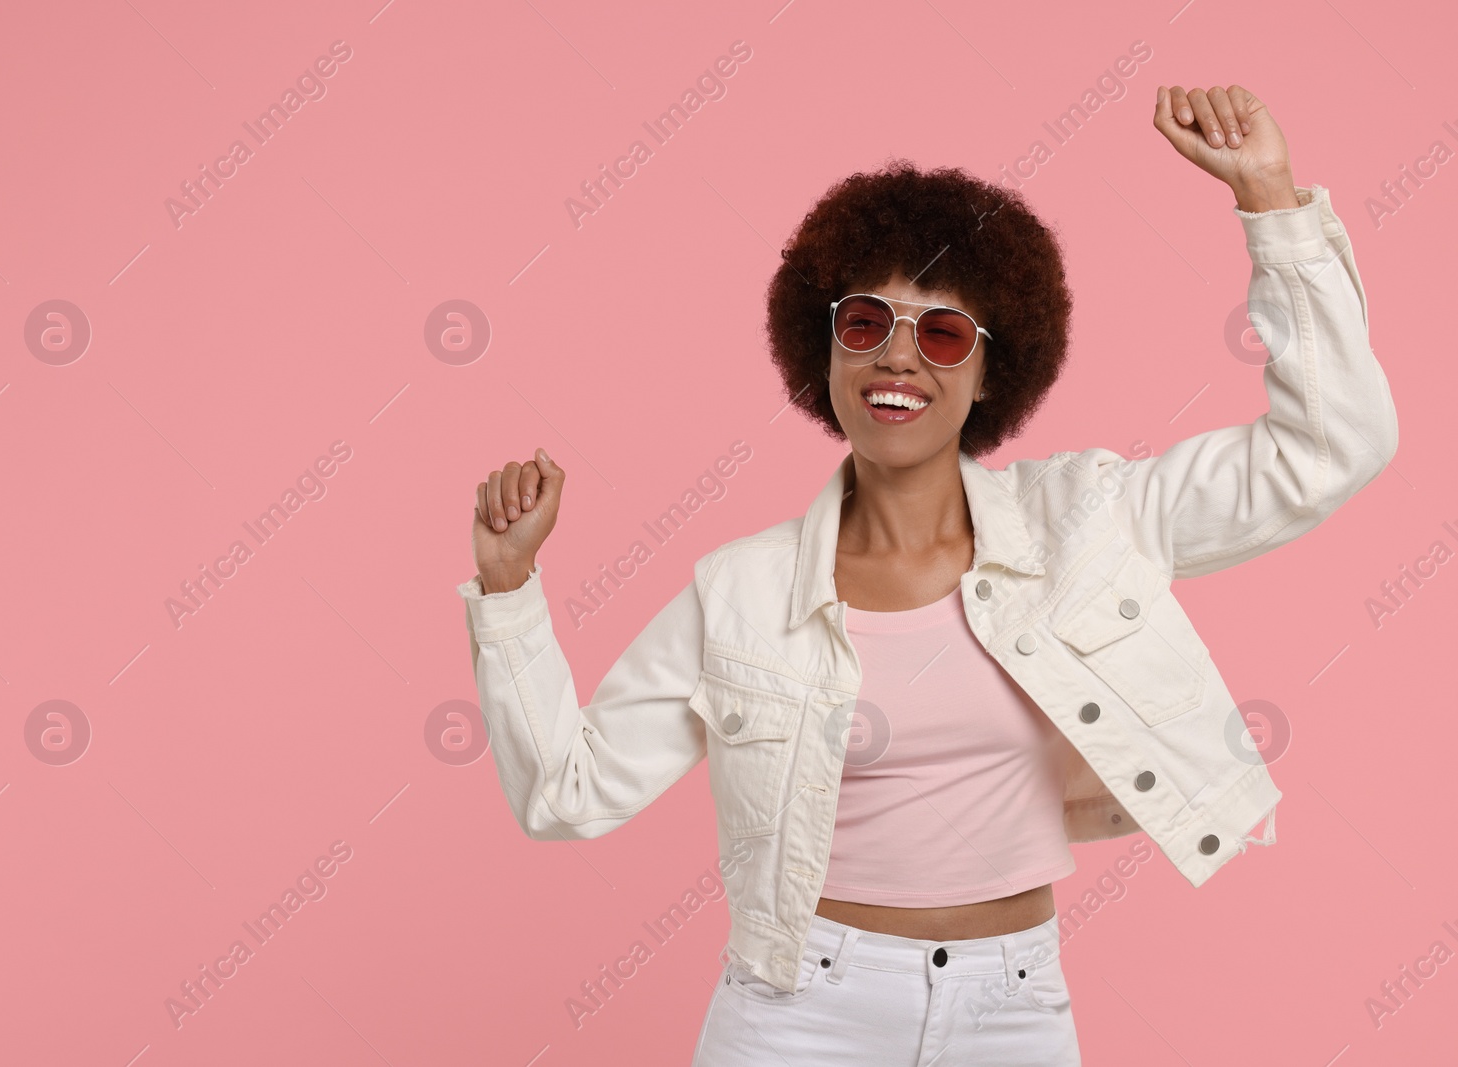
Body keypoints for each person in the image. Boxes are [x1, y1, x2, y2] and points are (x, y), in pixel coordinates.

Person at [456, 84, 1397, 1065]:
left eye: (941, 331)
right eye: (864, 322)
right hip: (796, 1012)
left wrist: (1272, 203)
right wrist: (510, 593)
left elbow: (1330, 448)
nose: (896, 356)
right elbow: (565, 791)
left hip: (1013, 1004)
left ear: (992, 370)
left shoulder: (1086, 520)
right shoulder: (739, 590)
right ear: (822, 349)